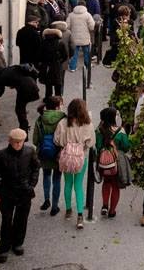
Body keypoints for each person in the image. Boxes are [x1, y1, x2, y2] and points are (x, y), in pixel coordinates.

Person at [0, 128, 40, 263]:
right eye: (15, 142)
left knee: (21, 219)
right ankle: (4, 248)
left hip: (24, 192)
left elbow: (36, 167)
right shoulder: (1, 155)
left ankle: (17, 243)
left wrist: (31, 185)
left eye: (21, 142)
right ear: (10, 141)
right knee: (6, 221)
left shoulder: (30, 152)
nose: (18, 144)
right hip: (7, 192)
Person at [53, 98, 95, 230]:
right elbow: (91, 142)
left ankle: (68, 209)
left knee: (68, 183)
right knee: (78, 185)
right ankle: (80, 216)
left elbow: (56, 140)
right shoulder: (88, 124)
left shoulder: (63, 123)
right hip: (81, 158)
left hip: (66, 156)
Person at [33, 96, 66, 216]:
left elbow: (35, 140)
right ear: (57, 106)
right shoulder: (63, 118)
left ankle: (46, 200)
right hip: (58, 154)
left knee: (46, 175)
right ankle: (55, 207)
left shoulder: (40, 119)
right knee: (57, 179)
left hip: (44, 152)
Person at [96, 107, 130, 218]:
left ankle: (105, 205)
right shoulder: (120, 131)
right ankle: (112, 211)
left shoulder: (99, 130)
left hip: (103, 162)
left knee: (106, 182)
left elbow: (98, 146)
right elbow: (126, 147)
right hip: (116, 163)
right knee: (115, 185)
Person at [38, 27, 69, 99]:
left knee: (48, 85)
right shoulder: (60, 43)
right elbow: (65, 55)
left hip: (46, 66)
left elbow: (39, 55)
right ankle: (58, 100)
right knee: (58, 84)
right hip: (57, 66)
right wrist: (60, 62)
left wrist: (43, 63)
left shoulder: (43, 43)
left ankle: (48, 100)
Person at [66, 1, 95, 73]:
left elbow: (67, 26)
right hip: (85, 37)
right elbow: (91, 27)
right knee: (86, 52)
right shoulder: (88, 15)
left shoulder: (71, 15)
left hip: (73, 37)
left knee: (74, 53)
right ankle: (87, 65)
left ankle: (73, 67)